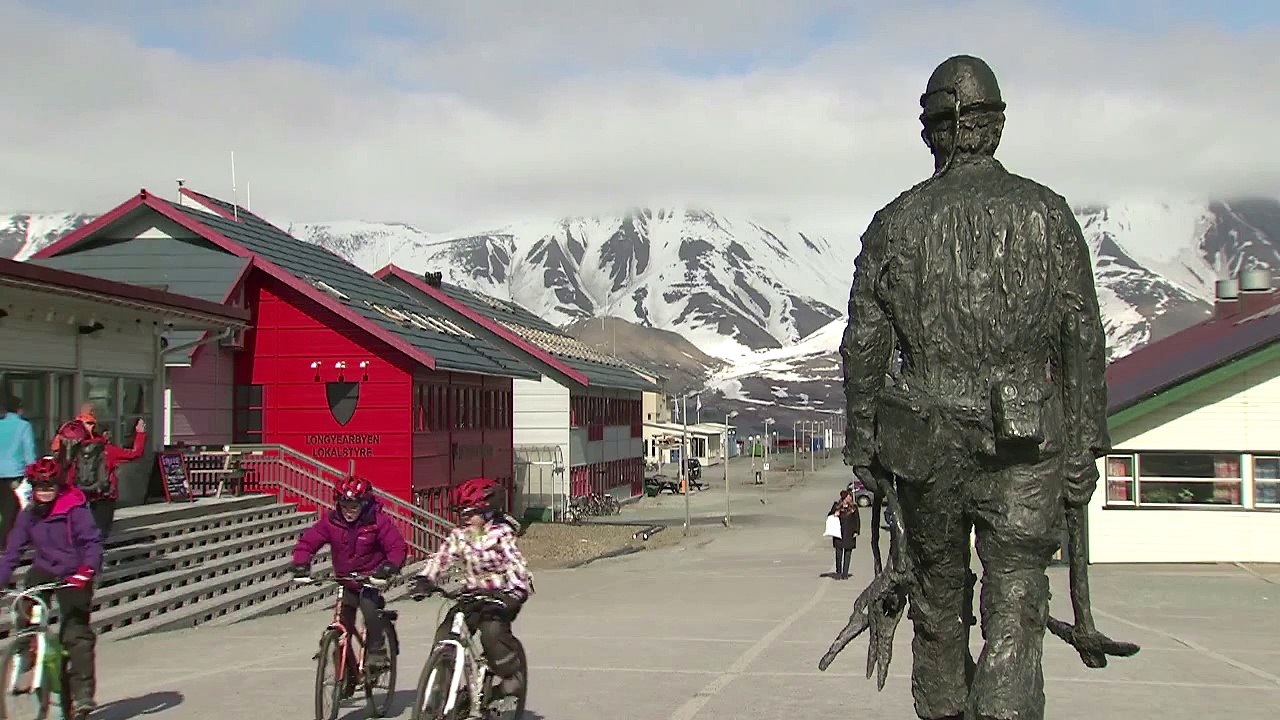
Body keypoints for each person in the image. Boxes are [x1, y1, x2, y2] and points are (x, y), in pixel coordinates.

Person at [828, 55, 1125, 720]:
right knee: (1017, 604)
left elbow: (865, 347)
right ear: (996, 126)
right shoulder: (1047, 215)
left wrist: (866, 454)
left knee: (938, 606)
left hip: (923, 442)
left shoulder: (895, 223)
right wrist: (1085, 445)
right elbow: (1082, 336)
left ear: (932, 131)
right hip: (1024, 442)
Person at [0, 456, 103, 719]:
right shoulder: (29, 514)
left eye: (50, 487)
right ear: (33, 488)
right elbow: (13, 551)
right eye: (40, 487)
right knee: (25, 600)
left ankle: (82, 697)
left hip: (75, 571)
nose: (45, 492)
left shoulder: (75, 507)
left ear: (58, 486)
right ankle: (27, 646)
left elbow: (92, 542)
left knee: (76, 634)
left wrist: (86, 572)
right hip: (45, 568)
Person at [413, 477, 533, 700]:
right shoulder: (461, 536)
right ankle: (440, 686)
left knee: (492, 633)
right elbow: (442, 557)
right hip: (471, 596)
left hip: (500, 597)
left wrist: (517, 589)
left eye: (470, 513)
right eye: (462, 513)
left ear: (486, 512)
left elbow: (516, 563)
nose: (464, 518)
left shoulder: (501, 534)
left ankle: (511, 678)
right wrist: (425, 579)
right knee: (445, 631)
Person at [290, 474, 407, 672]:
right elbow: (308, 542)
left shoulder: (377, 522)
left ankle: (377, 651)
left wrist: (389, 567)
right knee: (342, 622)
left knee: (369, 609)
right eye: (344, 506)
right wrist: (301, 563)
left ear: (365, 504)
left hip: (370, 579)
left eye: (354, 507)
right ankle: (346, 670)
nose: (348, 512)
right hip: (345, 580)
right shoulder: (331, 522)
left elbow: (396, 546)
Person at [53, 414, 147, 539]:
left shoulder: (72, 451)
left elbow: (63, 471)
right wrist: (140, 434)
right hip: (104, 495)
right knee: (100, 534)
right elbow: (135, 453)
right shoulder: (107, 449)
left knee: (77, 532)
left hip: (78, 496)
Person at [0, 395, 36, 548]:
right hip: (15, 473)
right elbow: (29, 452)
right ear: (18, 408)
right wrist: (33, 472)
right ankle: (7, 545)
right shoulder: (23, 426)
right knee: (12, 511)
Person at [827, 489, 860, 580]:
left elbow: (857, 520)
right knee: (839, 554)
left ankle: (845, 573)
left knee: (848, 554)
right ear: (844, 497)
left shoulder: (853, 508)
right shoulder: (837, 506)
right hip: (839, 533)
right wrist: (835, 514)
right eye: (849, 496)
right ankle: (839, 572)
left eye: (851, 497)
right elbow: (829, 516)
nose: (850, 498)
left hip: (850, 533)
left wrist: (856, 531)